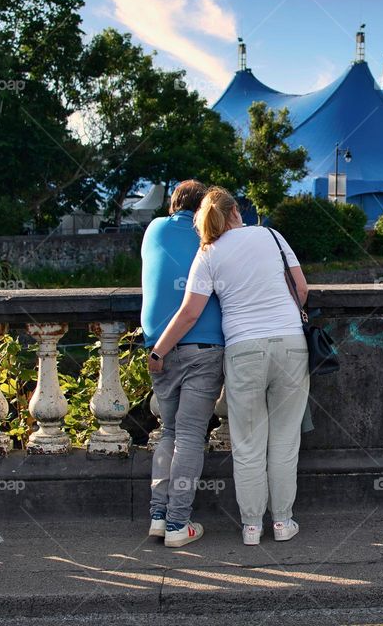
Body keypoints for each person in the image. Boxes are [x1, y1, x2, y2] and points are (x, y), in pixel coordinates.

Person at [149, 187, 310, 546]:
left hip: (243, 350)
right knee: (285, 441)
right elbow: (301, 289)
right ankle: (283, 523)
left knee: (248, 444)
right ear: (237, 210)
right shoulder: (270, 235)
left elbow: (190, 312)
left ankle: (251, 527)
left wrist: (159, 350)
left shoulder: (207, 253)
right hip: (290, 345)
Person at [141, 180, 224, 548]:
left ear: (173, 205)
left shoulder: (154, 229)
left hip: (159, 347)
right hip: (203, 347)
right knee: (190, 435)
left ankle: (158, 517)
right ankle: (178, 523)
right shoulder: (211, 237)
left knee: (169, 433)